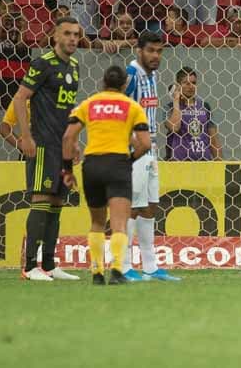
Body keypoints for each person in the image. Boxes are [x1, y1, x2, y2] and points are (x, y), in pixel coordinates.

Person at [62, 66, 152, 285]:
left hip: (92, 165)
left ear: (102, 82)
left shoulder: (88, 104)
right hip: (118, 164)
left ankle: (96, 272)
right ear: (123, 85)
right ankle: (117, 271)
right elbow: (145, 144)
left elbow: (68, 137)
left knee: (97, 222)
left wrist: (67, 169)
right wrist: (129, 161)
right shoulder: (132, 107)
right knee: (119, 223)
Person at [11, 16, 82, 282]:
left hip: (62, 146)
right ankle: (29, 267)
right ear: (55, 36)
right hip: (42, 144)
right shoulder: (42, 64)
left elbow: (68, 108)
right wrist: (26, 136)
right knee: (41, 198)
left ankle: (50, 265)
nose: (73, 38)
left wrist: (73, 142)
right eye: (67, 34)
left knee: (57, 202)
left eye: (76, 34)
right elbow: (20, 98)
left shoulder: (74, 66)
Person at [122, 31, 181, 282]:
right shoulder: (132, 74)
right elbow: (120, 108)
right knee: (132, 207)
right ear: (139, 50)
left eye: (159, 51)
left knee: (149, 206)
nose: (156, 56)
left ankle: (149, 266)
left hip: (152, 149)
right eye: (151, 51)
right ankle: (123, 266)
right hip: (134, 150)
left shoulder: (153, 75)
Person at [165, 66, 223, 161]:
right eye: (186, 83)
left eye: (193, 83)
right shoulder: (169, 107)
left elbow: (213, 138)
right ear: (178, 85)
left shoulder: (205, 106)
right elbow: (175, 127)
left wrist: (219, 162)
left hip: (203, 161)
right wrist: (176, 100)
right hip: (180, 163)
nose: (191, 86)